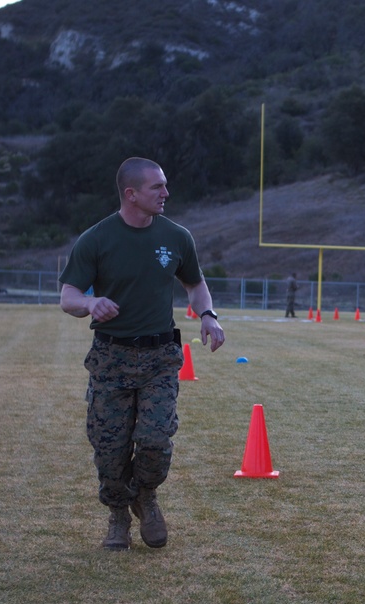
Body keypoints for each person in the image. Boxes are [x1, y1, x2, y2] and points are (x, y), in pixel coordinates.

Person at [59, 157, 225, 551]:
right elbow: (67, 297)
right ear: (131, 194)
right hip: (111, 358)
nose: (166, 193)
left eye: (165, 186)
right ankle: (118, 516)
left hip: (159, 358)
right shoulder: (96, 239)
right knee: (110, 448)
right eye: (157, 188)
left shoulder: (177, 236)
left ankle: (146, 498)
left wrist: (208, 315)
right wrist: (91, 302)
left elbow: (195, 284)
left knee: (154, 440)